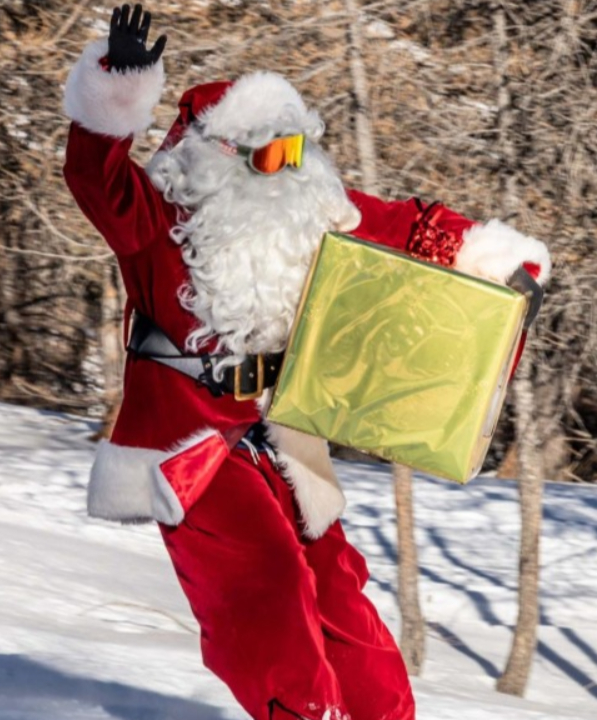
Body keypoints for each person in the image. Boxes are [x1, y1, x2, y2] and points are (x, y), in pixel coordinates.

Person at [62, 5, 552, 719]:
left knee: (342, 603)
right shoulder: (158, 222)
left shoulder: (307, 211)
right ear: (216, 156)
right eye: (270, 156)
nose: (286, 173)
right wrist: (117, 88)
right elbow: (93, 178)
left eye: (296, 154)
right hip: (190, 453)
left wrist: (503, 271)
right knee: (268, 592)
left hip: (282, 444)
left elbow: (414, 229)